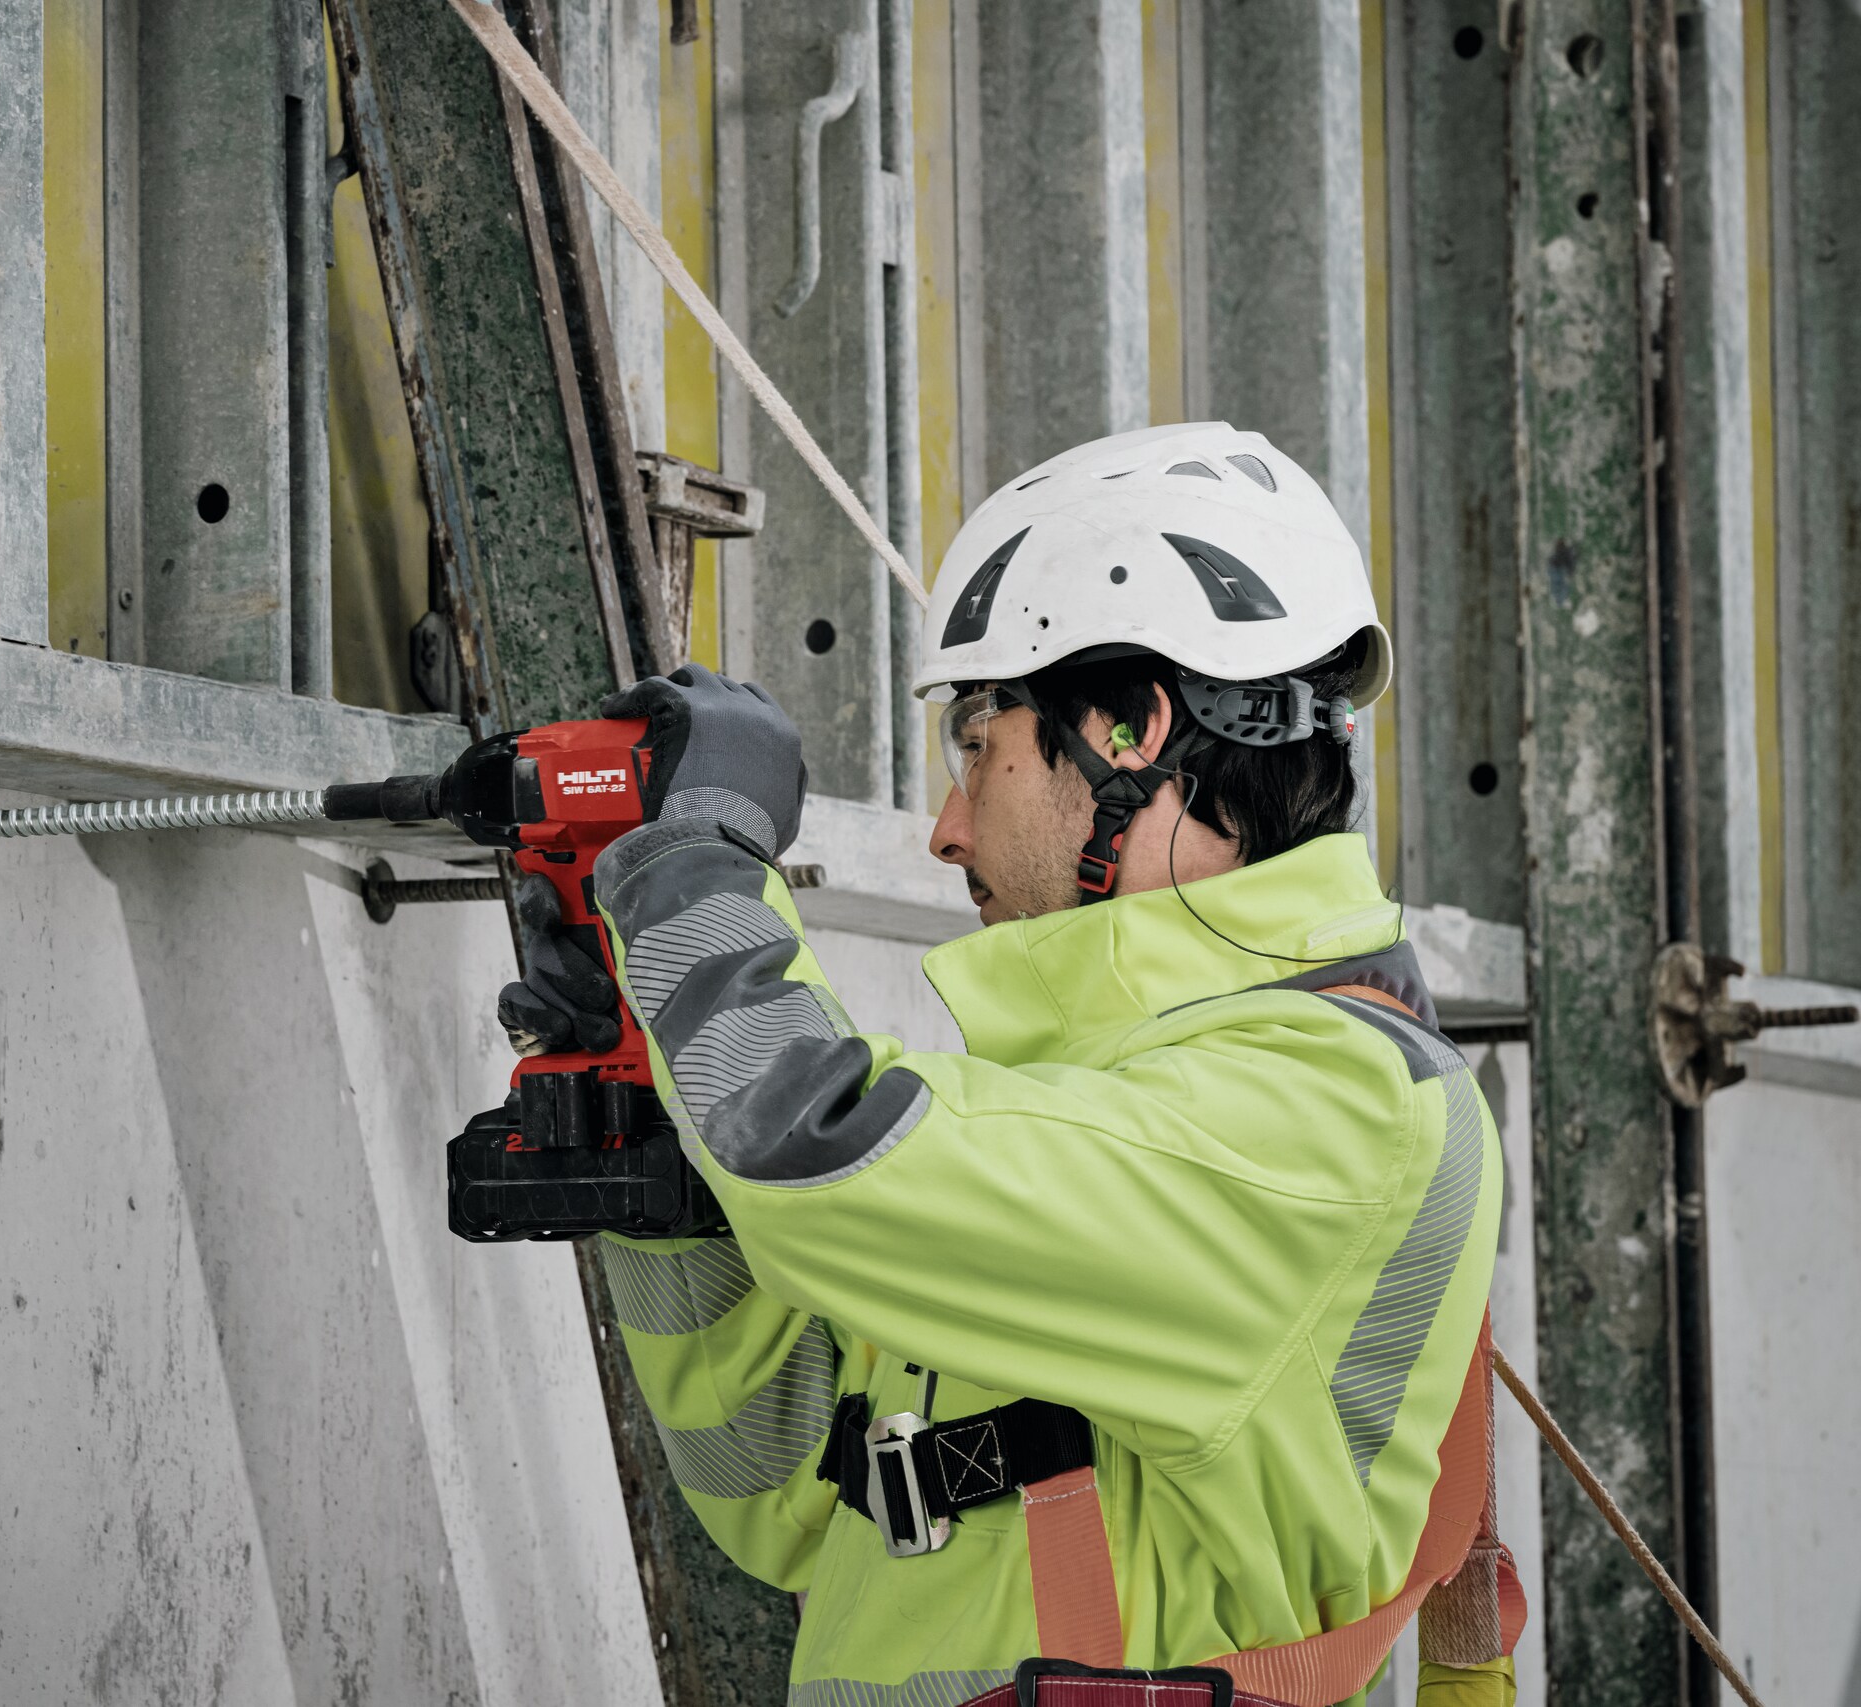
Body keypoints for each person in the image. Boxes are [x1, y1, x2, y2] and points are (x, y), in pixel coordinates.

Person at [500, 424, 1521, 1707]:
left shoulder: (1329, 1113)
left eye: (976, 745)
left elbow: (810, 1150)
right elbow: (786, 1492)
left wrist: (698, 869)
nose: (942, 826)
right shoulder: (1112, 1098)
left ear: (1131, 728)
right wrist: (647, 1101)